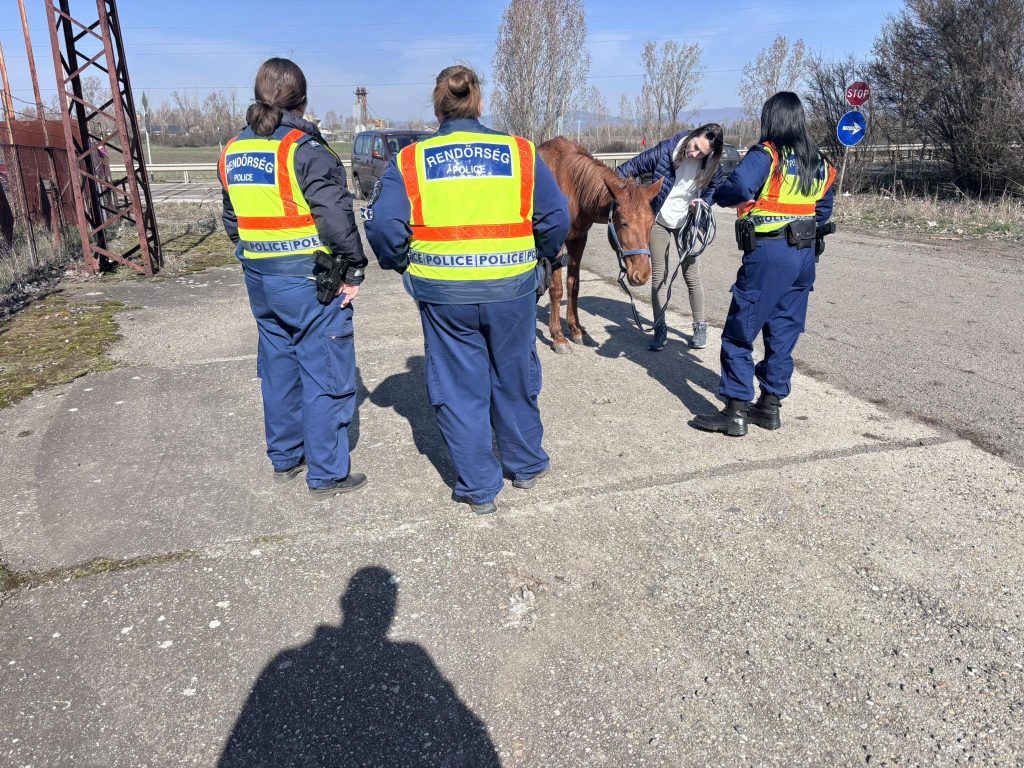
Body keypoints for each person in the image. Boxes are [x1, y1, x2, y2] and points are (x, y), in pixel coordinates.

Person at [364, 64, 570, 515]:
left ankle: (479, 488)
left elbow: (382, 226)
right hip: (512, 291)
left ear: (438, 105)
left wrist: (405, 265)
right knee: (514, 376)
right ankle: (526, 465)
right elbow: (557, 219)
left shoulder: (411, 160)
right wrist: (541, 256)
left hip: (443, 296)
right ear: (479, 103)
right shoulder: (519, 151)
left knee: (459, 389)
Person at [220, 58, 368, 494]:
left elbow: (232, 218)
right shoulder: (304, 150)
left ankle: (285, 457)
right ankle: (326, 473)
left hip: (259, 277)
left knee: (278, 367)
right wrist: (354, 266)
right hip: (308, 281)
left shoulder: (232, 150)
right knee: (324, 369)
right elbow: (335, 218)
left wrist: (254, 251)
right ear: (302, 101)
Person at [694, 92, 835, 437]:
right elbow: (824, 210)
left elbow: (739, 185)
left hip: (770, 253)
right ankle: (769, 407)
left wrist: (727, 196)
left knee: (740, 330)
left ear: (771, 119)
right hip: (804, 255)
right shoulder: (819, 161)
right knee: (784, 331)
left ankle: (736, 411)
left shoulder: (768, 154)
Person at [616, 124, 724, 351]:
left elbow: (716, 187)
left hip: (687, 222)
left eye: (701, 153)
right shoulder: (666, 151)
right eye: (695, 146)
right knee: (659, 276)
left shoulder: (711, 164)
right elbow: (628, 168)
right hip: (659, 220)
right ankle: (660, 328)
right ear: (692, 135)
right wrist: (625, 198)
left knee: (691, 275)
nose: (694, 153)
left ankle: (700, 326)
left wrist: (704, 202)